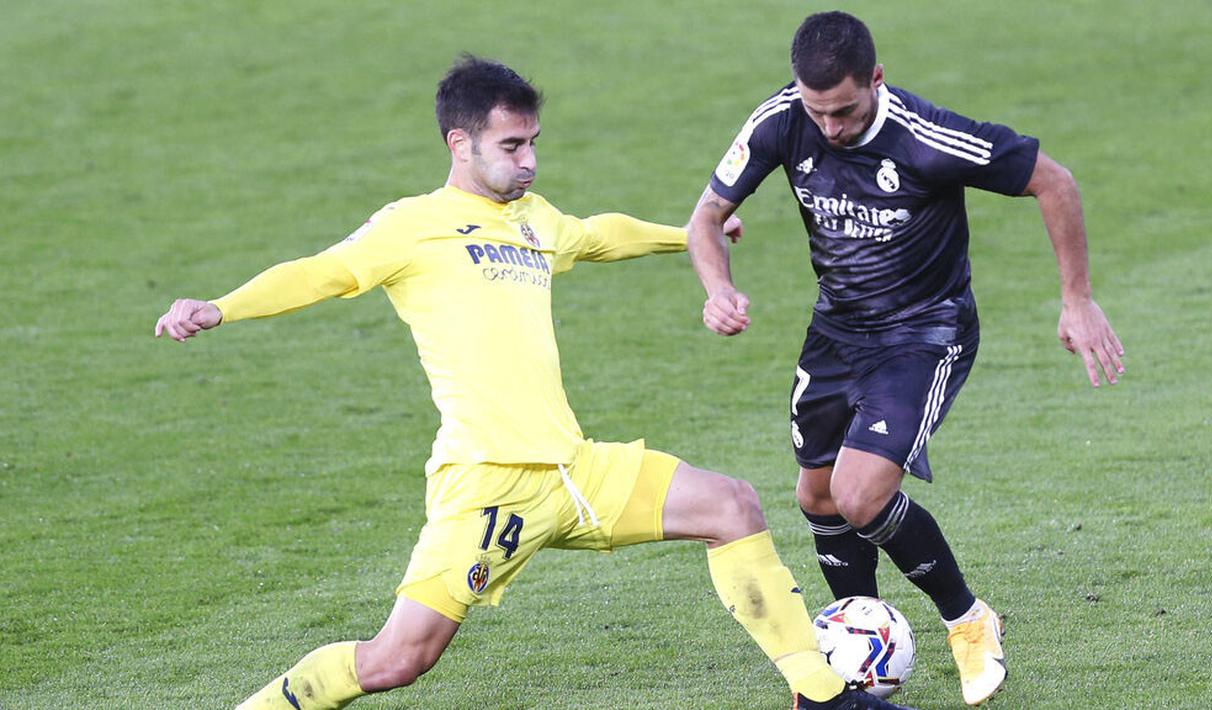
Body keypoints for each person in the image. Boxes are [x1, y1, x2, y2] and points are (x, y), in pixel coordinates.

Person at [155, 57, 915, 710]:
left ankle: (818, 694)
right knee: (397, 662)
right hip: (489, 484)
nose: (529, 161)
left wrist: (686, 232)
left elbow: (593, 233)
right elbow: (318, 273)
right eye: (511, 146)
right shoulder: (411, 225)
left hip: (573, 469)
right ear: (460, 143)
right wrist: (218, 308)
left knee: (732, 504)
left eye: (533, 144)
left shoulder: (531, 219)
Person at [686, 11, 1124, 707]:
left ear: (876, 80)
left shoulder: (926, 139)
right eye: (815, 109)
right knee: (817, 495)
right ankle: (856, 660)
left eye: (844, 110)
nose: (828, 127)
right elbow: (705, 216)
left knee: (860, 494)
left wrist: (1076, 299)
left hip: (924, 332)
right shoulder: (781, 119)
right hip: (836, 331)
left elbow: (1055, 181)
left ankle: (967, 619)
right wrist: (718, 288)